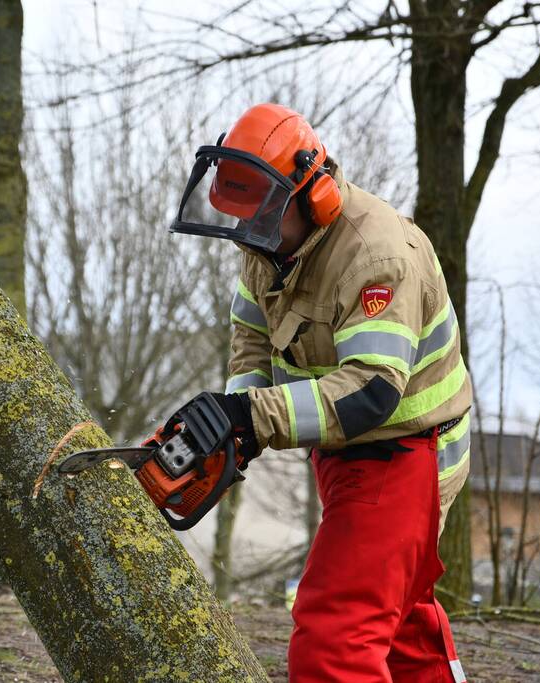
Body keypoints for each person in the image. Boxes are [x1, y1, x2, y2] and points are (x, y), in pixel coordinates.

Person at [167, 103, 472, 682]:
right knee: (398, 625)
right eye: (241, 222)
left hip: (405, 453)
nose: (249, 237)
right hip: (344, 449)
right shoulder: (268, 248)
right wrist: (236, 425)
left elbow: (371, 391)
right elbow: (251, 337)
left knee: (335, 639)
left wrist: (253, 418)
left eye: (261, 221)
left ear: (315, 196)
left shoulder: (376, 256)